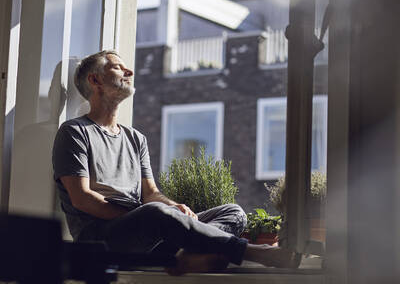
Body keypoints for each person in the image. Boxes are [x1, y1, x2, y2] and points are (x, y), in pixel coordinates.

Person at [52, 50, 300, 275]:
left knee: (232, 212)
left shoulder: (135, 138)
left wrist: (175, 207)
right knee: (156, 213)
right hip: (104, 238)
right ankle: (256, 253)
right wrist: (150, 214)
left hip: (150, 234)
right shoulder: (74, 132)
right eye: (118, 67)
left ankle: (189, 259)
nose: (130, 72)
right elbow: (82, 198)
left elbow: (151, 194)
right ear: (95, 81)